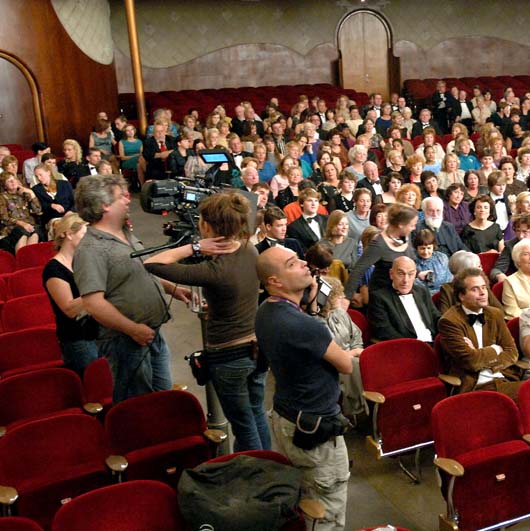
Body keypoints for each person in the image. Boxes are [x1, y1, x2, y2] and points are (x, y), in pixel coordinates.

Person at [144, 191, 268, 451]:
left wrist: (195, 247)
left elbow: (152, 263)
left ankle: (259, 474)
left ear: (207, 226)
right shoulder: (250, 250)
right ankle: (269, 464)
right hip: (258, 349)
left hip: (228, 354)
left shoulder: (214, 270)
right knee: (256, 414)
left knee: (243, 425)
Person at [255, 245, 355, 531]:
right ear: (275, 281)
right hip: (316, 430)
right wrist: (319, 315)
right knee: (327, 511)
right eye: (292, 263)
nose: (303, 264)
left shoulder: (265, 310)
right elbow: (345, 364)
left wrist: (308, 308)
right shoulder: (304, 326)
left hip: (287, 417)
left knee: (305, 497)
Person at [73, 175, 189, 403]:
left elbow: (139, 270)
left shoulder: (125, 234)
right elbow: (93, 303)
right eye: (121, 197)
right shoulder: (90, 249)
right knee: (139, 405)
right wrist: (133, 329)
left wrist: (170, 288)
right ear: (104, 205)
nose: (128, 201)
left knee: (161, 397)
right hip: (126, 341)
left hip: (151, 333)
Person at [437, 267, 522, 399]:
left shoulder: (495, 314)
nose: (483, 293)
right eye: (475, 289)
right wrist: (495, 349)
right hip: (475, 385)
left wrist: (480, 355)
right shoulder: (449, 321)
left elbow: (512, 352)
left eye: (484, 287)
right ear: (461, 296)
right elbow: (472, 362)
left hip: (503, 378)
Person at [43, 214, 98, 376]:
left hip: (100, 331)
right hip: (77, 338)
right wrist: (101, 289)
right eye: (84, 235)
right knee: (91, 385)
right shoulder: (53, 269)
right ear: (68, 234)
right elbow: (69, 309)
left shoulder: (85, 261)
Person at [315, 277, 366, 417]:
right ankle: (359, 406)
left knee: (366, 361)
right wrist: (353, 353)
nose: (343, 297)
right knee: (356, 364)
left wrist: (356, 350)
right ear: (328, 298)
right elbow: (327, 353)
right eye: (338, 295)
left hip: (353, 355)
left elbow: (356, 336)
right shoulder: (315, 323)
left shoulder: (341, 313)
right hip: (332, 364)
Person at [345, 203, 418, 299]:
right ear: (401, 225)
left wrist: (419, 273)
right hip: (382, 296)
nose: (414, 228)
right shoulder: (379, 243)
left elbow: (407, 261)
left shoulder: (405, 236)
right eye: (412, 225)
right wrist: (346, 298)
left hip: (402, 292)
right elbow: (358, 270)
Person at [368, 256, 440, 342]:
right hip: (406, 348)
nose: (406, 280)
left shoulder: (422, 291)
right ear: (391, 274)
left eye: (410, 274)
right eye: (401, 274)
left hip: (434, 343)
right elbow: (385, 331)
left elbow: (435, 316)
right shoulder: (379, 297)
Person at [436, 250, 503, 313]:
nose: (482, 269)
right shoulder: (447, 289)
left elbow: (500, 311)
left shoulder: (482, 284)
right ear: (466, 271)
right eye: (478, 266)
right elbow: (446, 318)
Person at [0, 172, 43, 252]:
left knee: (35, 232)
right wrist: (22, 223)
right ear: (4, 185)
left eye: (14, 179)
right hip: (13, 227)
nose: (13, 182)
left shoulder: (25, 194)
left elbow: (38, 211)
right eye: (9, 181)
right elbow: (3, 218)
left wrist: (31, 193)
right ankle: (21, 260)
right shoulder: (2, 197)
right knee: (22, 233)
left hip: (29, 224)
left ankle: (29, 259)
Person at [414, 228, 452, 294]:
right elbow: (417, 286)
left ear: (433, 246)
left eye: (429, 248)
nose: (426, 252)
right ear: (417, 248)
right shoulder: (412, 262)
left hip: (444, 293)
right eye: (422, 248)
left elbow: (449, 279)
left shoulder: (442, 258)